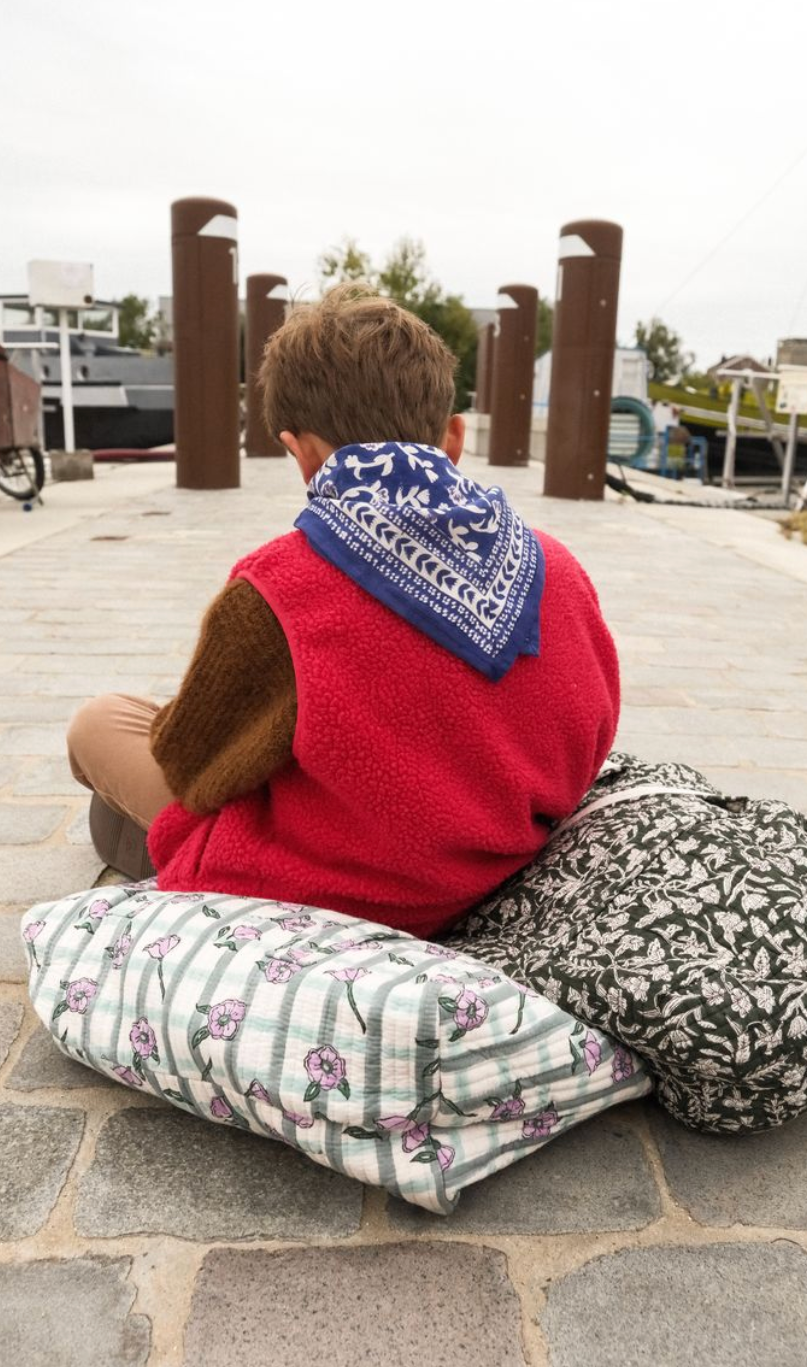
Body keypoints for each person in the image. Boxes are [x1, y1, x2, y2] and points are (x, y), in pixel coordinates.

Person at [67, 285, 619, 938]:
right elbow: (591, 732)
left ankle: (158, 860)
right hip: (493, 870)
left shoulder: (280, 583)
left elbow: (193, 769)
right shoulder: (555, 566)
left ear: (299, 451)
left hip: (328, 893)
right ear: (454, 437)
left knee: (100, 723)